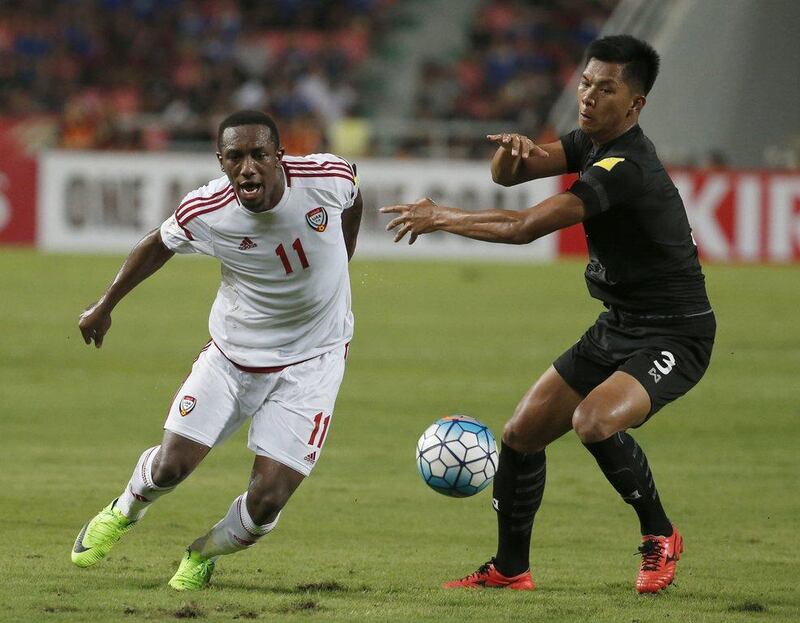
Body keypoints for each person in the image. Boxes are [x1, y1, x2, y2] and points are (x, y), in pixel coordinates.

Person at [381, 35, 714, 594]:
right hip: (618, 325)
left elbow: (523, 227)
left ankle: (661, 534)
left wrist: (441, 217)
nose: (587, 96)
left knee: (594, 421)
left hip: (675, 335)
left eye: (605, 89)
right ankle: (511, 569)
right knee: (520, 434)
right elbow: (508, 176)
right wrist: (509, 153)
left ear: (634, 105)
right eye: (585, 82)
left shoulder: (625, 166)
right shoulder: (588, 140)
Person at [71, 110, 363, 591]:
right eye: (235, 157)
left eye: (258, 155)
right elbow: (156, 245)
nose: (247, 167)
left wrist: (346, 246)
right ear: (221, 161)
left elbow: (353, 192)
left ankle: (203, 552)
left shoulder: (325, 177)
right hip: (233, 357)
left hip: (315, 360)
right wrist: (105, 305)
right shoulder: (207, 209)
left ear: (278, 157)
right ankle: (123, 511)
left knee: (268, 499)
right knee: (170, 467)